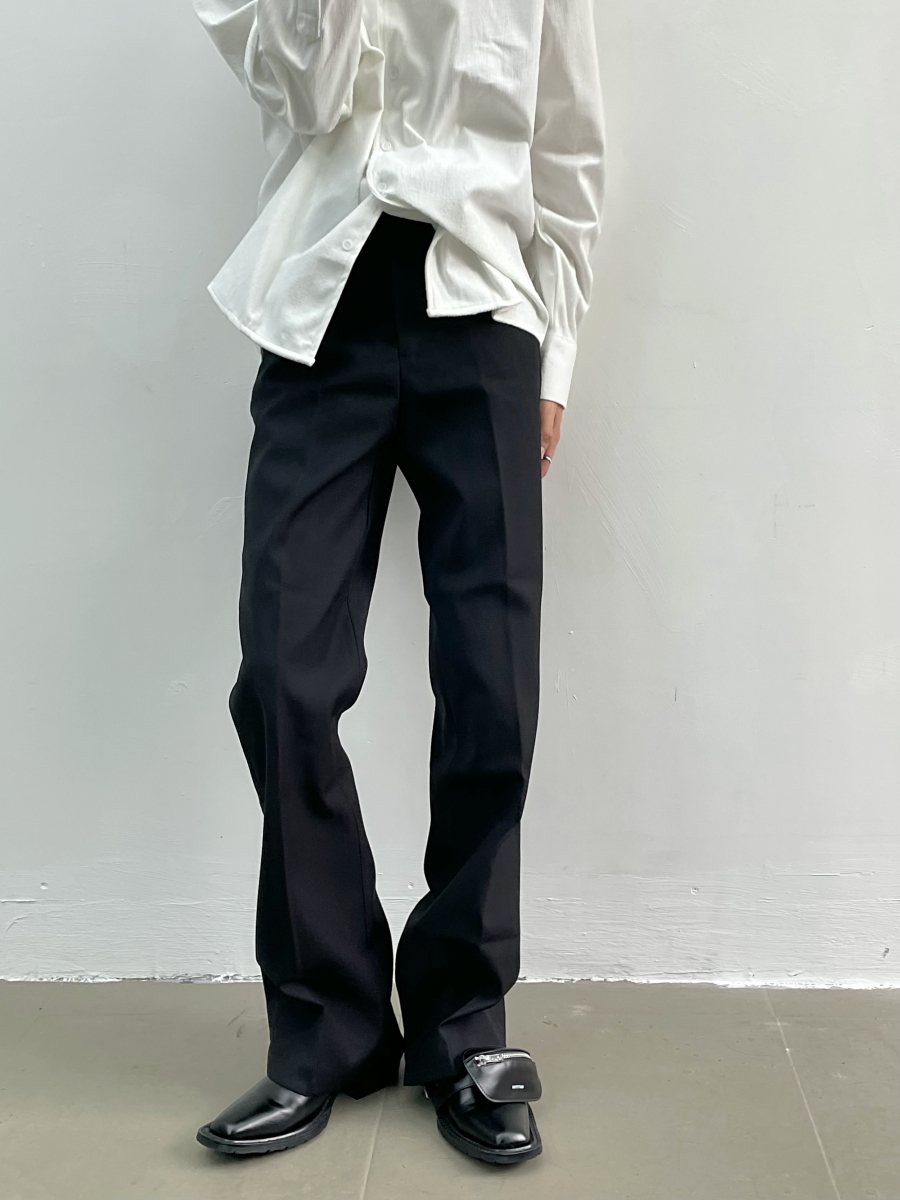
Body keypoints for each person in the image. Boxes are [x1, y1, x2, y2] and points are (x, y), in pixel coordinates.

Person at [191, 0, 605, 1167]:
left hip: (486, 309)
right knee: (283, 673)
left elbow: (569, 145)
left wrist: (555, 359)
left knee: (492, 682)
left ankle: (464, 1024)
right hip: (320, 309)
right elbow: (306, 91)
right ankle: (328, 1029)